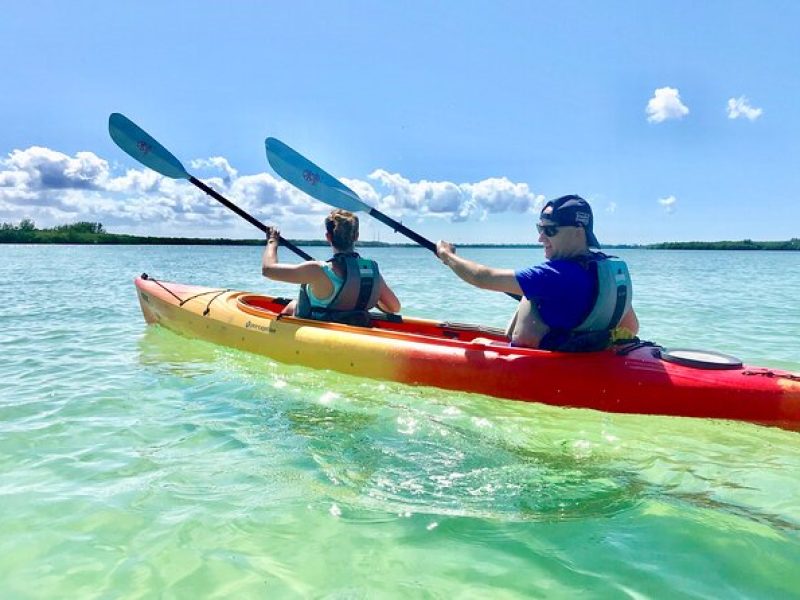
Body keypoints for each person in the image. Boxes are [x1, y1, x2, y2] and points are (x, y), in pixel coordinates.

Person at [435, 195, 639, 350]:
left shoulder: (553, 275)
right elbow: (631, 326)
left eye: (550, 230)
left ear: (579, 232)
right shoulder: (609, 271)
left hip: (539, 360)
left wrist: (447, 256)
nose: (541, 238)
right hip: (585, 353)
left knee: (527, 295)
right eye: (539, 229)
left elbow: (481, 277)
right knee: (530, 293)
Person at [262, 209, 401, 325]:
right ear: (356, 237)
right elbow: (394, 307)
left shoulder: (316, 270)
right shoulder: (369, 270)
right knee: (293, 303)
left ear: (328, 237)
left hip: (318, 333)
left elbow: (268, 269)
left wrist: (272, 241)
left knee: (293, 305)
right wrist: (369, 294)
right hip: (355, 329)